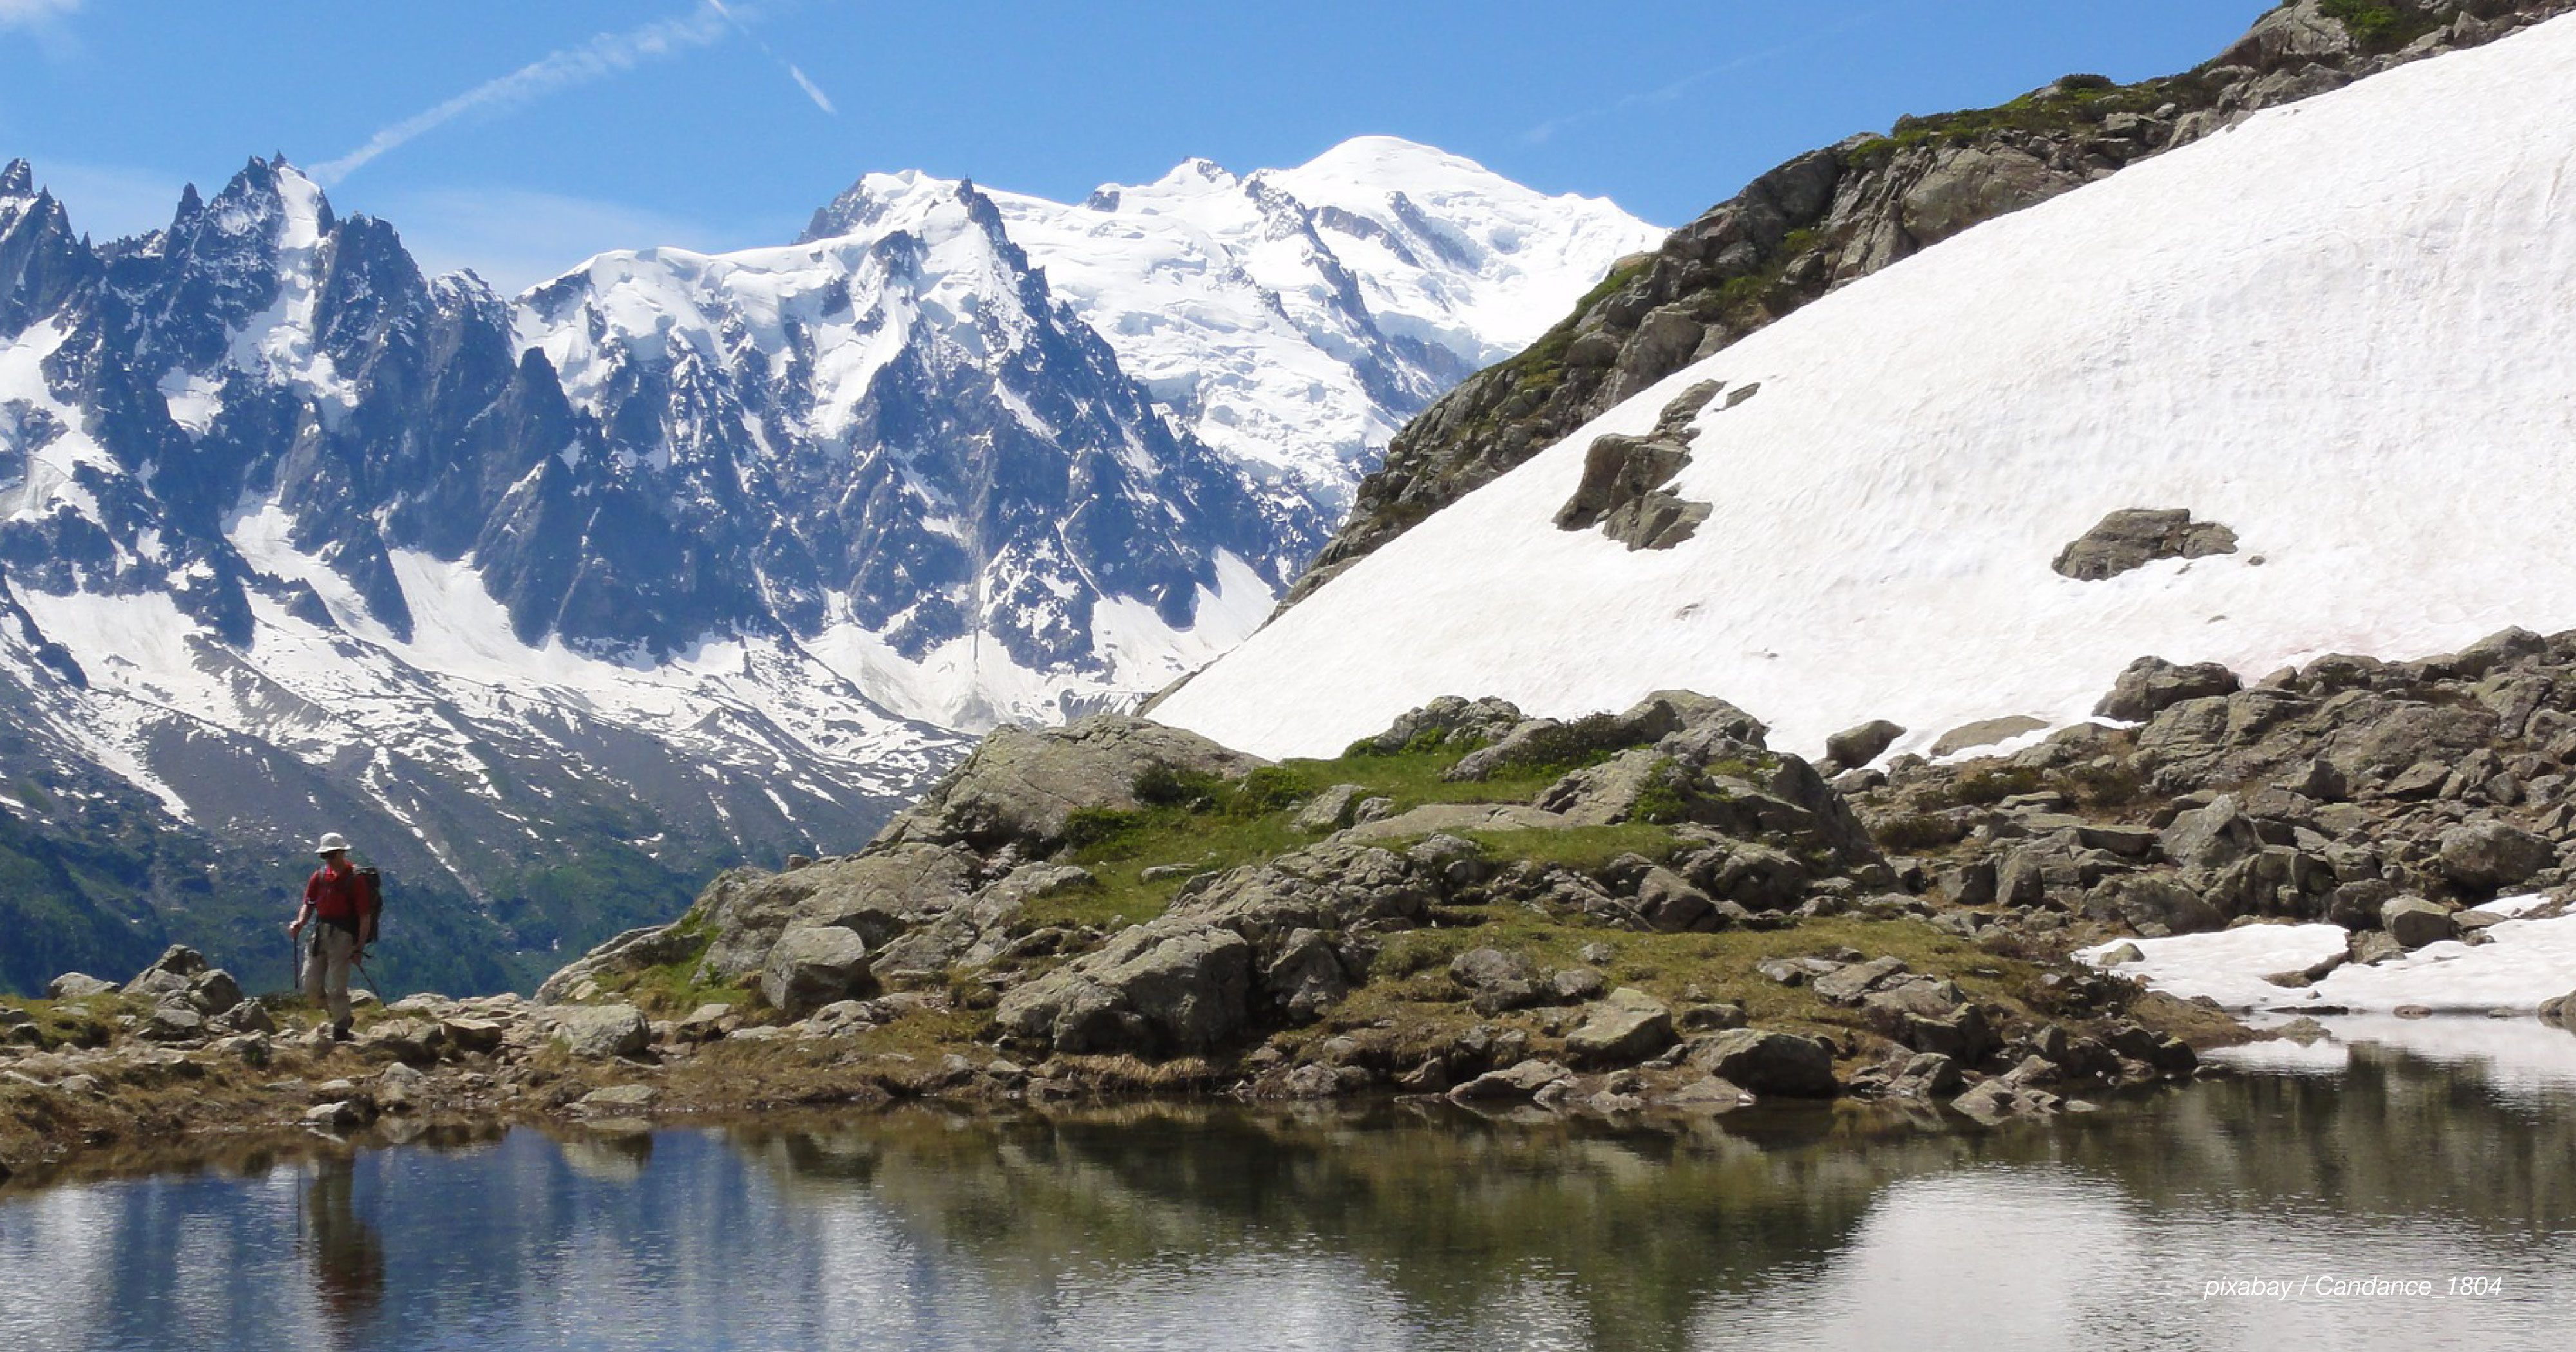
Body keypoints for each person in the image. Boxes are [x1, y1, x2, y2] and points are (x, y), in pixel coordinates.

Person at [288, 832, 373, 1040]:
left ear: (342, 853)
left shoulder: (356, 879)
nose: (329, 860)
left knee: (336, 987)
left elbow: (365, 917)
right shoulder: (319, 877)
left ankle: (341, 1029)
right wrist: (300, 922)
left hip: (343, 937)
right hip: (320, 933)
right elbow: (308, 905)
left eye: (332, 855)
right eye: (325, 856)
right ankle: (339, 1015)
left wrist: (359, 947)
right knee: (310, 985)